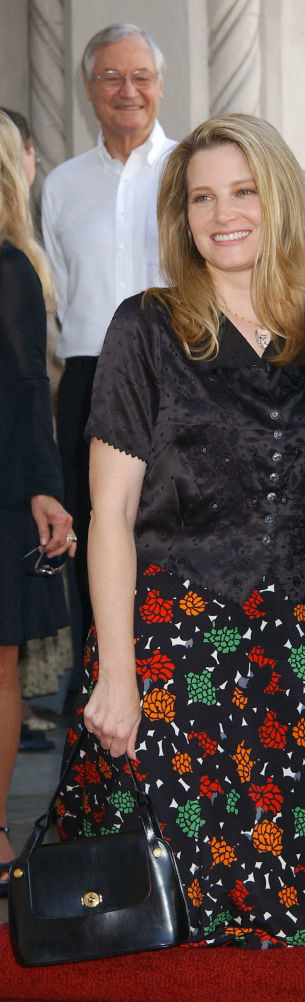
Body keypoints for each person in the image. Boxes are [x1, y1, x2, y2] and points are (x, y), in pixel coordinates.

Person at [57, 114, 305, 949]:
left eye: (243, 191)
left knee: (301, 916)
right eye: (202, 197)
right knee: (160, 919)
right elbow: (110, 513)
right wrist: (114, 676)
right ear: (181, 216)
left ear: (280, 201)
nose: (223, 214)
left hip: (284, 655)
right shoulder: (147, 328)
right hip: (166, 651)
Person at [41, 23, 175, 700]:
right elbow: (59, 294)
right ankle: (94, 714)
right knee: (95, 539)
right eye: (112, 78)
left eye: (141, 77)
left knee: (170, 536)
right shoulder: (61, 186)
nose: (129, 91)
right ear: (90, 90)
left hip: (179, 374)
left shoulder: (191, 171)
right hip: (90, 380)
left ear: (160, 85)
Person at [0, 111, 76, 894]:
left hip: (2, 493)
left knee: (0, 674)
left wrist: (44, 490)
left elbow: (27, 391)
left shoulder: (11, 265)